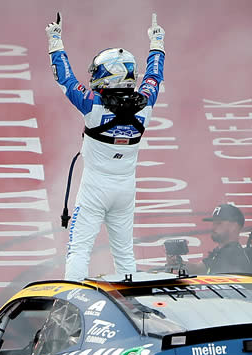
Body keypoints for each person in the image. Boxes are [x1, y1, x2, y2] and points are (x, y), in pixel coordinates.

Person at [46, 12, 165, 281]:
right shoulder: (146, 103)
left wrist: (55, 41)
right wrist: (157, 42)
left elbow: (65, 79)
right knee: (124, 254)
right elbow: (154, 76)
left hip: (94, 189)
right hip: (125, 189)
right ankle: (134, 313)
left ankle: (69, 305)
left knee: (79, 250)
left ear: (108, 75)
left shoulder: (92, 104)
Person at [167, 204, 252, 275]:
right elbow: (200, 268)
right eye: (213, 223)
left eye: (219, 223)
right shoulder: (220, 252)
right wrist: (178, 262)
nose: (213, 227)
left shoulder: (234, 256)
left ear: (234, 226)